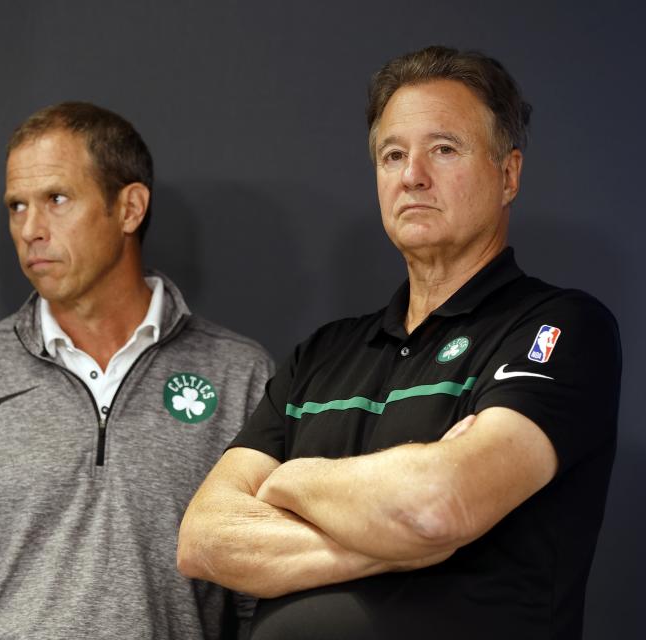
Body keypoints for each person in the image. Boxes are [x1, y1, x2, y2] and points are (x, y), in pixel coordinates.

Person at [178, 46, 621, 639]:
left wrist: (293, 482)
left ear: (508, 174)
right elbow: (204, 540)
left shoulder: (558, 328)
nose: (412, 174)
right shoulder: (322, 354)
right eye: (393, 154)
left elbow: (437, 505)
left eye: (443, 148)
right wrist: (400, 543)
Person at [0, 102, 273, 640]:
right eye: (17, 206)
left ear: (130, 208)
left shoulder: (240, 376)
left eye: (56, 200)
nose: (30, 229)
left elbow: (262, 601)